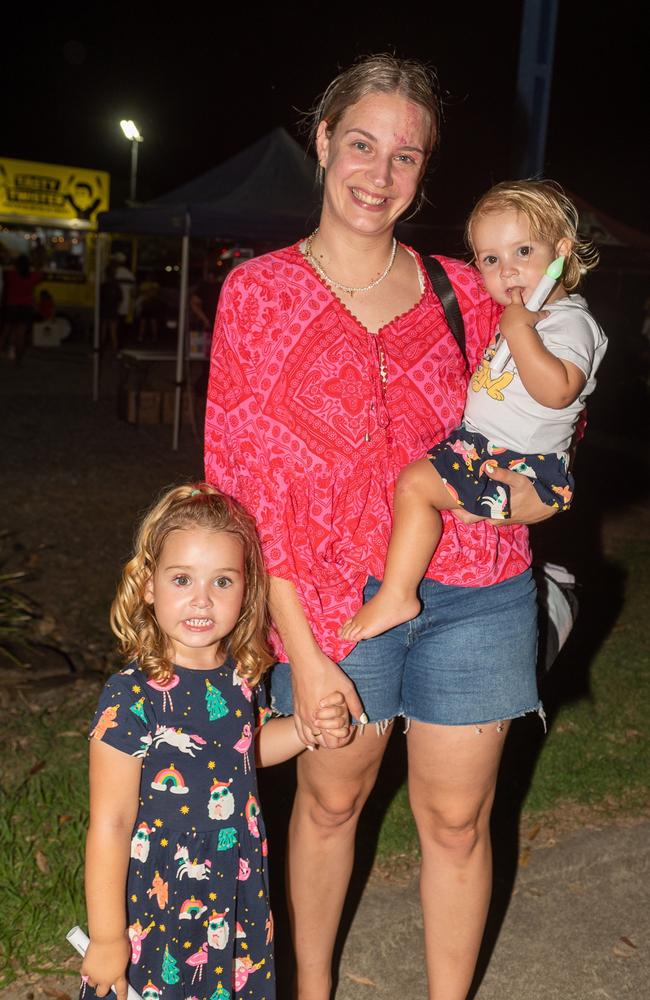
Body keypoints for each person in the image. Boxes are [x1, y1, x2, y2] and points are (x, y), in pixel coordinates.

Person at [205, 55, 556, 1000]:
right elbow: (242, 492)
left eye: (406, 155)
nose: (379, 172)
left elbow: (546, 430)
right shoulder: (258, 294)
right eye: (362, 144)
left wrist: (526, 493)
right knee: (329, 804)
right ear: (323, 144)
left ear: (424, 171)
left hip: (479, 590)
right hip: (327, 603)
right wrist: (302, 649)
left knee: (456, 824)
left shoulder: (473, 290)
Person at [80, 484, 348, 1000]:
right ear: (149, 585)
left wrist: (305, 730)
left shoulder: (241, 678)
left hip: (233, 877)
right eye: (182, 579)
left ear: (247, 591)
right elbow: (110, 823)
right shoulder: (131, 696)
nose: (201, 599)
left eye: (222, 581)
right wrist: (109, 935)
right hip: (158, 894)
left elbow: (244, 752)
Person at [341, 180, 607, 641]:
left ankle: (398, 592)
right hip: (487, 448)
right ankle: (407, 583)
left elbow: (560, 391)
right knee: (416, 485)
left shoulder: (571, 322)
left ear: (562, 252)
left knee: (415, 485)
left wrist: (519, 331)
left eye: (523, 251)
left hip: (518, 460)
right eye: (490, 259)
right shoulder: (525, 315)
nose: (507, 271)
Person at [1, 254, 41, 363]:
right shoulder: (32, 276)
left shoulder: (11, 275)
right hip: (26, 306)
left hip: (12, 305)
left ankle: (2, 349)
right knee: (21, 334)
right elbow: (39, 274)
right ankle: (18, 358)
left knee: (6, 331)